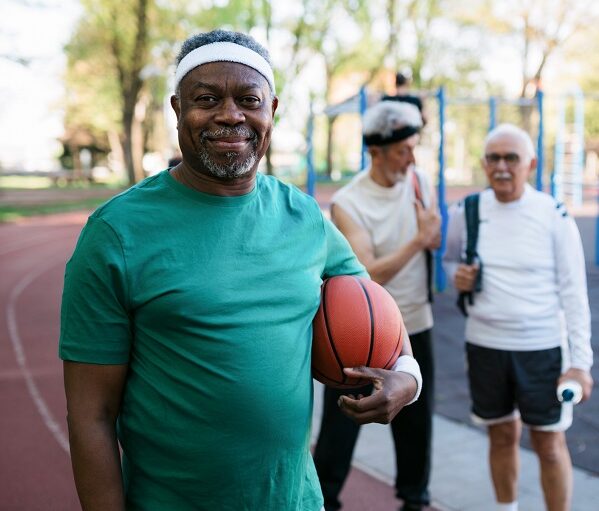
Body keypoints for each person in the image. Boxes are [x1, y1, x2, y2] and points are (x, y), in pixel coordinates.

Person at [59, 29, 422, 511]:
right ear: (176, 109)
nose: (230, 115)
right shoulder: (116, 234)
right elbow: (92, 417)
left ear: (272, 110)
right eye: (207, 98)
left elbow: (382, 315)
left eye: (248, 99)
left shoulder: (305, 217)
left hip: (295, 501)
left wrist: (407, 377)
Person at [443, 124, 594, 511]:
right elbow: (449, 262)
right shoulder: (468, 210)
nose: (502, 167)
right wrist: (456, 277)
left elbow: (574, 291)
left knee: (548, 442)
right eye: (494, 158)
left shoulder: (553, 214)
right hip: (485, 346)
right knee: (500, 436)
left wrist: (580, 364)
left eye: (512, 158)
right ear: (483, 164)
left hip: (541, 349)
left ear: (530, 164)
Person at [313, 101, 441, 511]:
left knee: (417, 425)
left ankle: (414, 500)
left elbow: (433, 238)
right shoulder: (349, 202)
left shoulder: (421, 181)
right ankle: (324, 499)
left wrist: (432, 241)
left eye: (414, 147)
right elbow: (368, 275)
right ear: (376, 152)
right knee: (341, 425)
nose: (412, 158)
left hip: (415, 322)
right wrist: (419, 241)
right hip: (360, 333)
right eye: (404, 149)